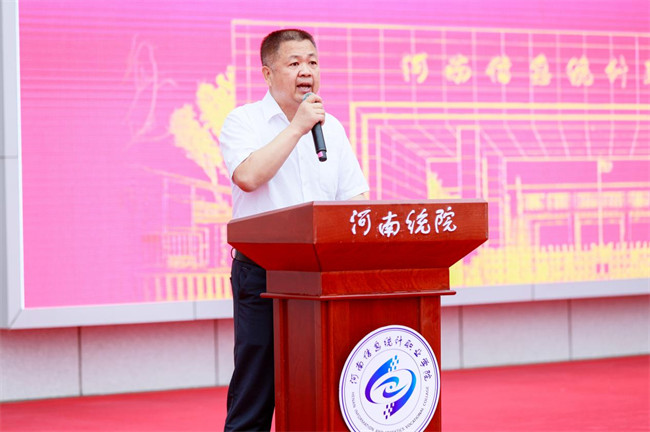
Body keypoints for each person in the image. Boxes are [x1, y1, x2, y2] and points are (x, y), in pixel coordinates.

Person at [218, 28, 369, 431]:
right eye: (295, 63)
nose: (307, 71)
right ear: (268, 74)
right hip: (262, 273)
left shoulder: (332, 128)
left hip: (321, 275)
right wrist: (297, 127)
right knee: (256, 385)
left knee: (323, 382)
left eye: (313, 62)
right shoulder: (243, 121)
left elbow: (355, 201)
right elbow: (249, 176)